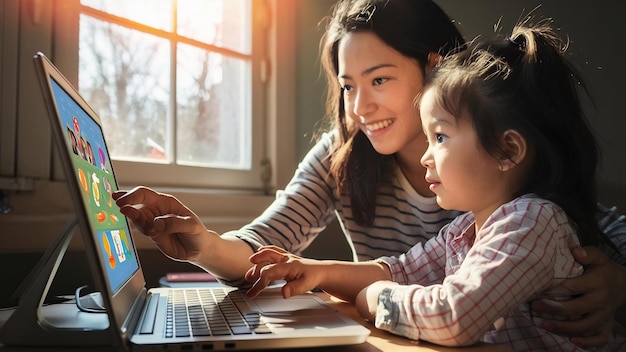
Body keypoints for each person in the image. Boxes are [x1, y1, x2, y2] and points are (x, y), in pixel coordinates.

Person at [112, 0, 625, 347]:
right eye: (347, 86)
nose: (359, 107)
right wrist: (202, 243)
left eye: (379, 79)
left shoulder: (519, 200)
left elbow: (594, 226)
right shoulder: (347, 159)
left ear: (433, 68)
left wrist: (619, 281)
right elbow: (276, 246)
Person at [243, 19, 626, 350]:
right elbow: (399, 270)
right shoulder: (466, 229)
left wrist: (378, 299)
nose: (427, 156)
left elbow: (454, 316)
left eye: (439, 138)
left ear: (507, 150)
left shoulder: (532, 222)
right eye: (348, 86)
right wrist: (317, 271)